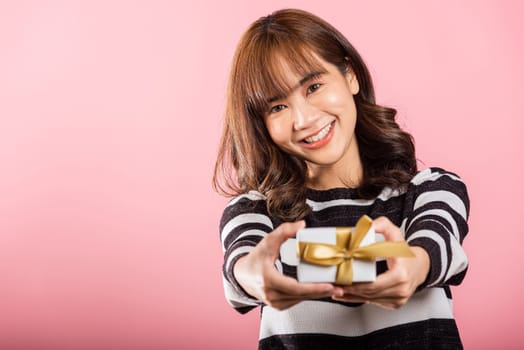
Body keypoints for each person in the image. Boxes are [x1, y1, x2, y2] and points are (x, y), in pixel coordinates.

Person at [213, 8, 469, 350]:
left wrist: (415, 265)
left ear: (349, 75)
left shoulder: (430, 190)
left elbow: (436, 243)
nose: (303, 119)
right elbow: (241, 264)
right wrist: (254, 275)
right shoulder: (254, 211)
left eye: (314, 86)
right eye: (276, 107)